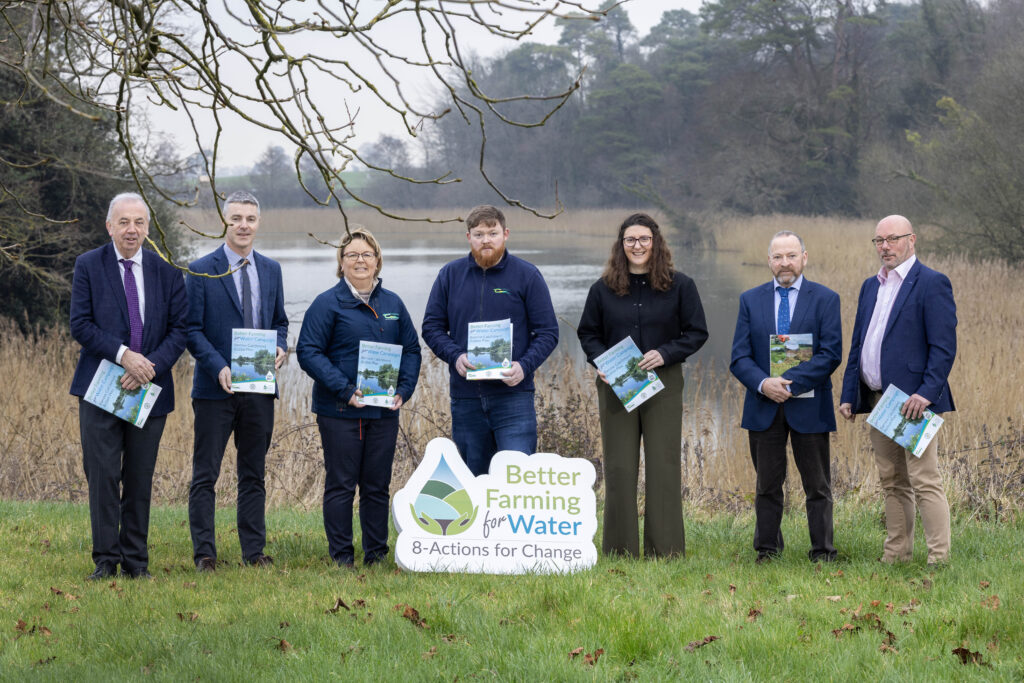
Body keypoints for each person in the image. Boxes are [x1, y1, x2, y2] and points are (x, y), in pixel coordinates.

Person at [69, 192, 188, 580]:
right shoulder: (88, 266)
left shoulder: (167, 273)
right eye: (123, 222)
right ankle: (105, 560)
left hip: (149, 391)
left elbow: (180, 330)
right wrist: (124, 356)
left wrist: (147, 366)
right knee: (102, 475)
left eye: (138, 222)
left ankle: (136, 562)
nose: (131, 229)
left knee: (139, 477)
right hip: (102, 388)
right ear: (109, 226)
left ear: (148, 228)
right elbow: (80, 324)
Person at [577, 213, 708, 558]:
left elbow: (696, 333)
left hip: (663, 382)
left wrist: (665, 353)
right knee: (619, 467)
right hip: (616, 382)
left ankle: (664, 551)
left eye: (644, 239)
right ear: (621, 245)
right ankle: (619, 550)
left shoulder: (681, 285)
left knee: (663, 464)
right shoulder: (602, 289)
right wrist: (601, 362)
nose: (637, 246)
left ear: (656, 242)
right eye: (631, 240)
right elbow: (588, 333)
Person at [297, 228, 421, 567]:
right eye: (352, 255)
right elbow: (308, 352)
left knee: (377, 485)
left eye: (367, 254)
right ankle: (341, 556)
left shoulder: (393, 304)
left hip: (384, 412)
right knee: (341, 484)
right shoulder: (327, 303)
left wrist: (403, 390)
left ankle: (376, 554)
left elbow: (411, 349)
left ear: (378, 260)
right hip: (340, 411)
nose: (360, 260)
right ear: (341, 262)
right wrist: (346, 390)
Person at [840, 215, 956, 566]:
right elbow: (859, 344)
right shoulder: (870, 286)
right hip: (880, 402)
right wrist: (849, 394)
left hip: (914, 403)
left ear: (911, 240)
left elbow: (943, 347)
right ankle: (896, 557)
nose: (885, 247)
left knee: (924, 480)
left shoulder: (932, 283)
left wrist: (927, 393)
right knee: (892, 481)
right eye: (879, 241)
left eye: (892, 239)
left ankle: (939, 560)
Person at [185, 191, 288, 572]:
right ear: (224, 221)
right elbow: (190, 330)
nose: (243, 225)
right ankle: (205, 554)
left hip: (259, 388)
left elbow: (280, 321)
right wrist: (217, 366)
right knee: (205, 475)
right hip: (215, 389)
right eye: (236, 218)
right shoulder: (201, 269)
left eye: (250, 218)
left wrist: (280, 347)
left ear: (258, 223)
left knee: (253, 473)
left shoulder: (272, 270)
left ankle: (254, 552)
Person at [729, 231, 842, 564]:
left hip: (809, 405)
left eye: (791, 255)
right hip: (764, 405)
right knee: (767, 485)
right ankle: (767, 550)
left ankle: (823, 551)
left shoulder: (825, 298)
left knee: (817, 486)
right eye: (778, 257)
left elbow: (830, 353)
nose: (784, 263)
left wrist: (788, 383)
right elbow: (739, 357)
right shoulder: (750, 299)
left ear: (804, 257)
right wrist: (765, 384)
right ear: (769, 261)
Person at [421, 205, 558, 476]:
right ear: (468, 237)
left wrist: (524, 366)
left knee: (516, 480)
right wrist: (455, 356)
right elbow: (432, 327)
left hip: (513, 397)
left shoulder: (527, 275)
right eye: (479, 234)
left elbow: (548, 332)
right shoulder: (450, 275)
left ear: (505, 234)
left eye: (492, 233)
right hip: (466, 399)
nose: (486, 240)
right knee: (474, 481)